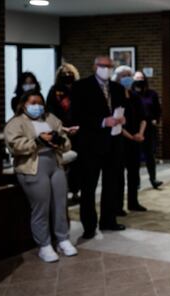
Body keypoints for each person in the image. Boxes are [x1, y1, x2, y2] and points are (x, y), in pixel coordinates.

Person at [5, 91, 77, 263]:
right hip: (33, 166)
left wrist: (59, 141)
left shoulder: (50, 118)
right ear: (23, 105)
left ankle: (62, 239)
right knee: (41, 208)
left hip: (55, 163)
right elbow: (15, 146)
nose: (37, 106)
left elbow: (66, 141)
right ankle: (44, 245)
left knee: (60, 204)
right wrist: (38, 141)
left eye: (40, 103)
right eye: (33, 103)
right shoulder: (16, 122)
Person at [71, 56, 127, 239]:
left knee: (111, 185)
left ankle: (108, 220)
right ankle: (89, 225)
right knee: (89, 187)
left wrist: (121, 119)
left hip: (113, 142)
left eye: (110, 66)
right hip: (91, 143)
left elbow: (121, 109)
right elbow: (76, 115)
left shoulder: (117, 88)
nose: (107, 69)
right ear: (95, 66)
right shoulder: (81, 87)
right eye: (103, 66)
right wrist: (102, 121)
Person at [46, 63, 81, 203]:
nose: (67, 75)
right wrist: (62, 128)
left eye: (69, 73)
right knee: (62, 163)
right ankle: (62, 193)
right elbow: (50, 113)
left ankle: (76, 192)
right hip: (61, 132)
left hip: (78, 131)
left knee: (78, 164)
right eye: (64, 74)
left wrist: (79, 127)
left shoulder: (79, 89)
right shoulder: (54, 91)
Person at [114, 66, 147, 213]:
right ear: (117, 78)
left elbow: (143, 118)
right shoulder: (115, 97)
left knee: (134, 173)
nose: (127, 78)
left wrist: (140, 133)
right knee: (119, 175)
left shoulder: (135, 96)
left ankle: (133, 202)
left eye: (129, 75)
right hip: (121, 139)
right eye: (124, 75)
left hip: (136, 138)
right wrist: (131, 136)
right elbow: (116, 122)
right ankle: (118, 205)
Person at [132, 71, 163, 189]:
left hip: (149, 127)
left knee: (149, 155)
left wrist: (156, 119)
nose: (139, 80)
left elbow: (158, 109)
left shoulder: (151, 94)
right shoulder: (130, 94)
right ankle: (136, 181)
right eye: (137, 78)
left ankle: (153, 179)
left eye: (141, 78)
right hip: (134, 128)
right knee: (135, 156)